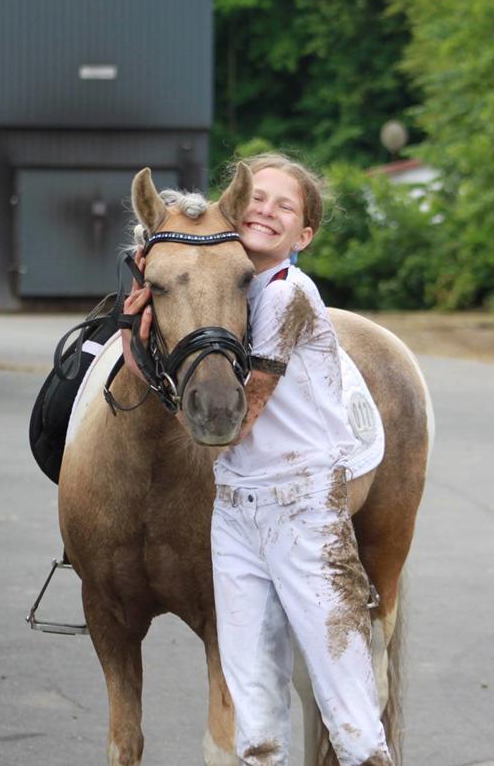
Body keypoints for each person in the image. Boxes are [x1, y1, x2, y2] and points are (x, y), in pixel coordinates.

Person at [122, 154, 392, 765]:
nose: (266, 210)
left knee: (344, 697)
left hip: (303, 503)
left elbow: (233, 421)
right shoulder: (228, 291)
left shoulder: (289, 292)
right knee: (253, 702)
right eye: (258, 199)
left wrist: (145, 356)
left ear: (305, 235)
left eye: (285, 205)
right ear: (236, 210)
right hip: (237, 505)